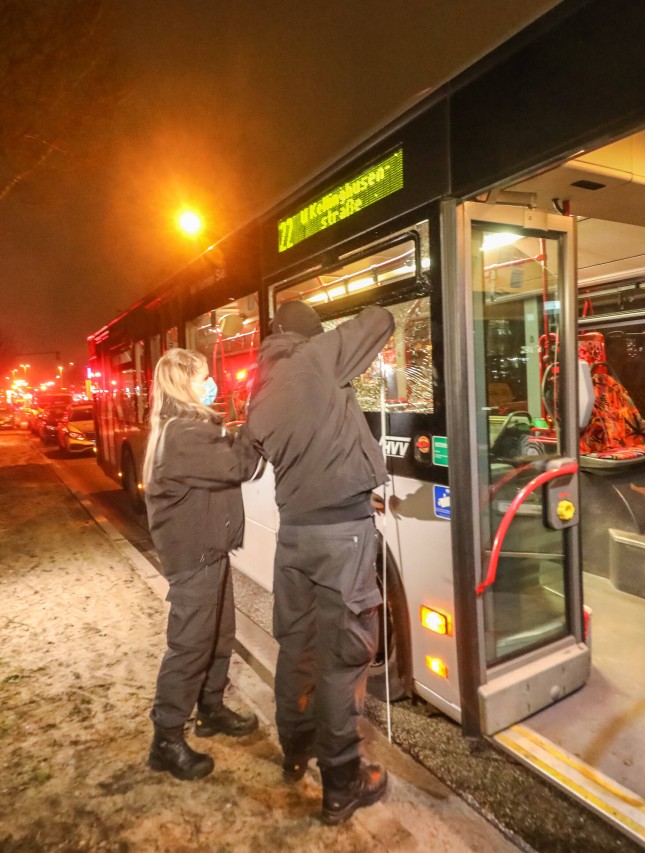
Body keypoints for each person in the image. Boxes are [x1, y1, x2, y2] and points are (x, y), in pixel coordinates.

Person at [246, 299, 394, 825]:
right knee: (342, 659)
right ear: (309, 335)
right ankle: (342, 783)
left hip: (296, 537)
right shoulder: (314, 357)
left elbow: (257, 457)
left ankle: (294, 749)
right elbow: (380, 321)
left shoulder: (259, 389)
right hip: (340, 539)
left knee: (297, 647)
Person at [144, 348, 262, 781]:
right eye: (203, 378)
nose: (210, 383)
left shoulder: (187, 429)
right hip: (194, 556)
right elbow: (239, 465)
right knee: (190, 646)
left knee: (219, 636)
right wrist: (255, 421)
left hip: (206, 549)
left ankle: (210, 709)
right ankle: (167, 738)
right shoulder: (184, 435)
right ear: (184, 384)